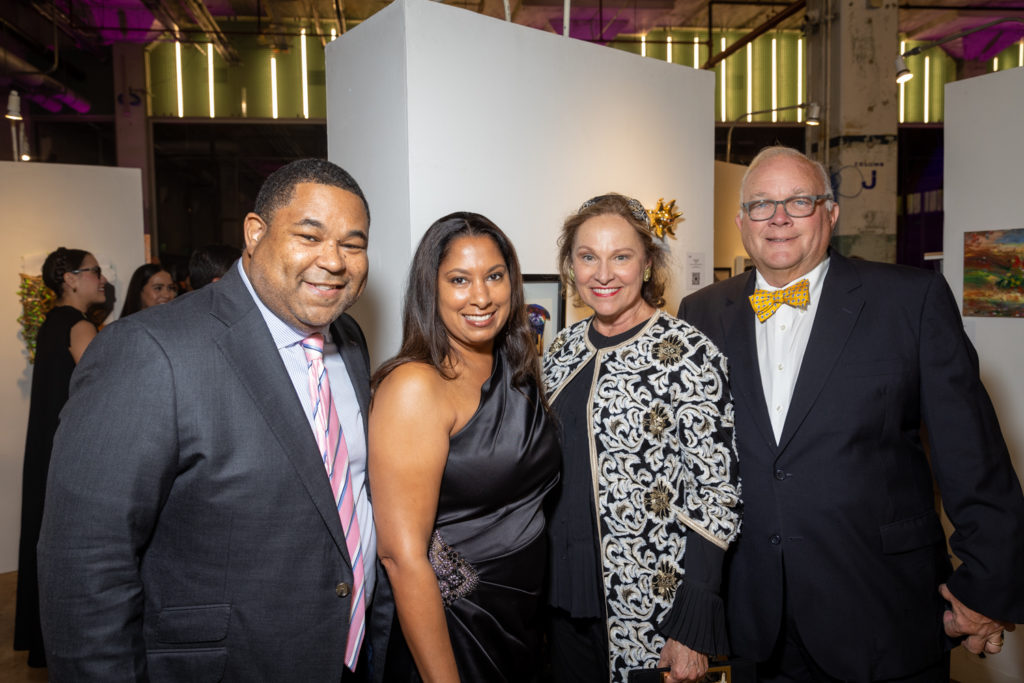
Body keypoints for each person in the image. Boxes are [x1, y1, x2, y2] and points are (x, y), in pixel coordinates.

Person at [678, 146, 1024, 682]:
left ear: (831, 212)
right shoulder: (700, 312)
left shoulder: (910, 299)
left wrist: (986, 587)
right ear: (742, 220)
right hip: (751, 621)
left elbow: (973, 457)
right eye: (762, 204)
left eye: (799, 201)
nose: (779, 218)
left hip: (882, 611)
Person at [37, 159, 385, 681]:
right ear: (255, 233)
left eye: (352, 245)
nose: (333, 261)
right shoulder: (150, 351)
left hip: (349, 655)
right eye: (309, 236)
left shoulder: (349, 339)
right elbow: (86, 562)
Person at [542, 194, 741, 683]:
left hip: (650, 608)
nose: (603, 274)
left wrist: (692, 626)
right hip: (557, 601)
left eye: (621, 257)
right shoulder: (563, 348)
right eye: (588, 256)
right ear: (571, 265)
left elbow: (717, 493)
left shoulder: (689, 353)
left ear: (647, 263)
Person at [369, 212, 560, 682]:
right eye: (459, 280)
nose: (481, 296)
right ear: (430, 289)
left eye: (494, 276)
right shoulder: (415, 386)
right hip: (456, 627)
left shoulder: (517, 369)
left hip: (524, 617)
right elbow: (401, 557)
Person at [15, 247, 107, 669]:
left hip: (46, 446)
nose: (102, 279)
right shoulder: (78, 324)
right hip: (71, 451)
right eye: (94, 271)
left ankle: (41, 639)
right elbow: (103, 387)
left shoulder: (53, 322)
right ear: (70, 278)